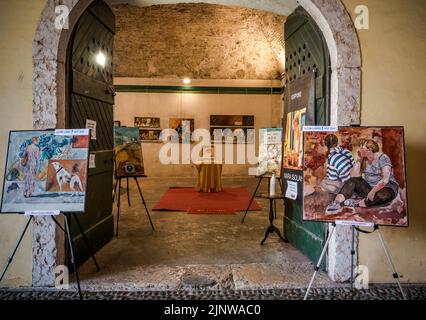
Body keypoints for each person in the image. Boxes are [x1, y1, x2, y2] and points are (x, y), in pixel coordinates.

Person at [326, 139, 399, 213]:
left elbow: (385, 180)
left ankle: (357, 203)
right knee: (352, 181)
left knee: (382, 196)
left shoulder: (382, 157)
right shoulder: (364, 160)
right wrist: (359, 159)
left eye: (361, 147)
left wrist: (372, 192)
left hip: (387, 188)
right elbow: (354, 176)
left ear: (369, 149)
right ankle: (336, 203)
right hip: (370, 188)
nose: (359, 149)